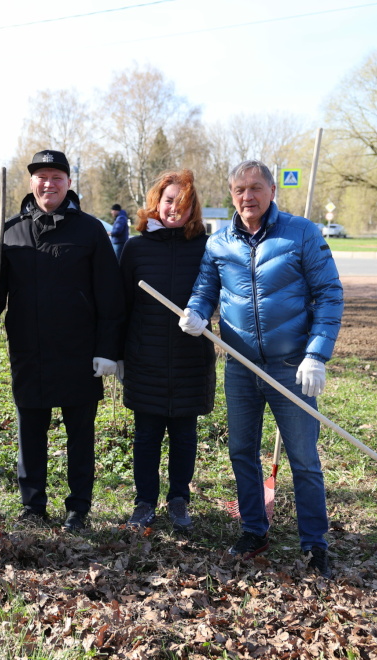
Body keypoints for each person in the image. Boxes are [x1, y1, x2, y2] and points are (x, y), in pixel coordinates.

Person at [181, 160, 343, 577]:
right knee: (241, 452)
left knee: (303, 458)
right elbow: (205, 289)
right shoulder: (219, 243)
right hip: (239, 366)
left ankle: (315, 543)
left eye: (256, 188)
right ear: (231, 195)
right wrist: (196, 312)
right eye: (239, 190)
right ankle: (254, 529)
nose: (247, 196)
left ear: (273, 191)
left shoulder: (301, 233)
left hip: (292, 366)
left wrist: (316, 355)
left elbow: (329, 294)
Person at [0, 149, 125, 532]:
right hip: (30, 352)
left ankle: (78, 508)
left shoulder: (90, 231)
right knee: (31, 433)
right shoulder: (10, 231)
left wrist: (109, 350)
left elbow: (110, 295)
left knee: (80, 435)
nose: (48, 184)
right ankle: (33, 506)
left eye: (57, 177)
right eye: (42, 177)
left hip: (80, 353)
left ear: (68, 183)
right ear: (32, 182)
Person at [119, 170, 215, 533]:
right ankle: (144, 501)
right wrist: (117, 353)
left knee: (184, 436)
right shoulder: (136, 248)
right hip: (146, 358)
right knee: (146, 436)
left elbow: (217, 293)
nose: (175, 208)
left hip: (191, 357)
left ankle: (178, 499)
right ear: (156, 203)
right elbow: (121, 305)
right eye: (169, 200)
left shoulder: (206, 248)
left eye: (183, 202)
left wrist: (204, 315)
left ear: (193, 208)